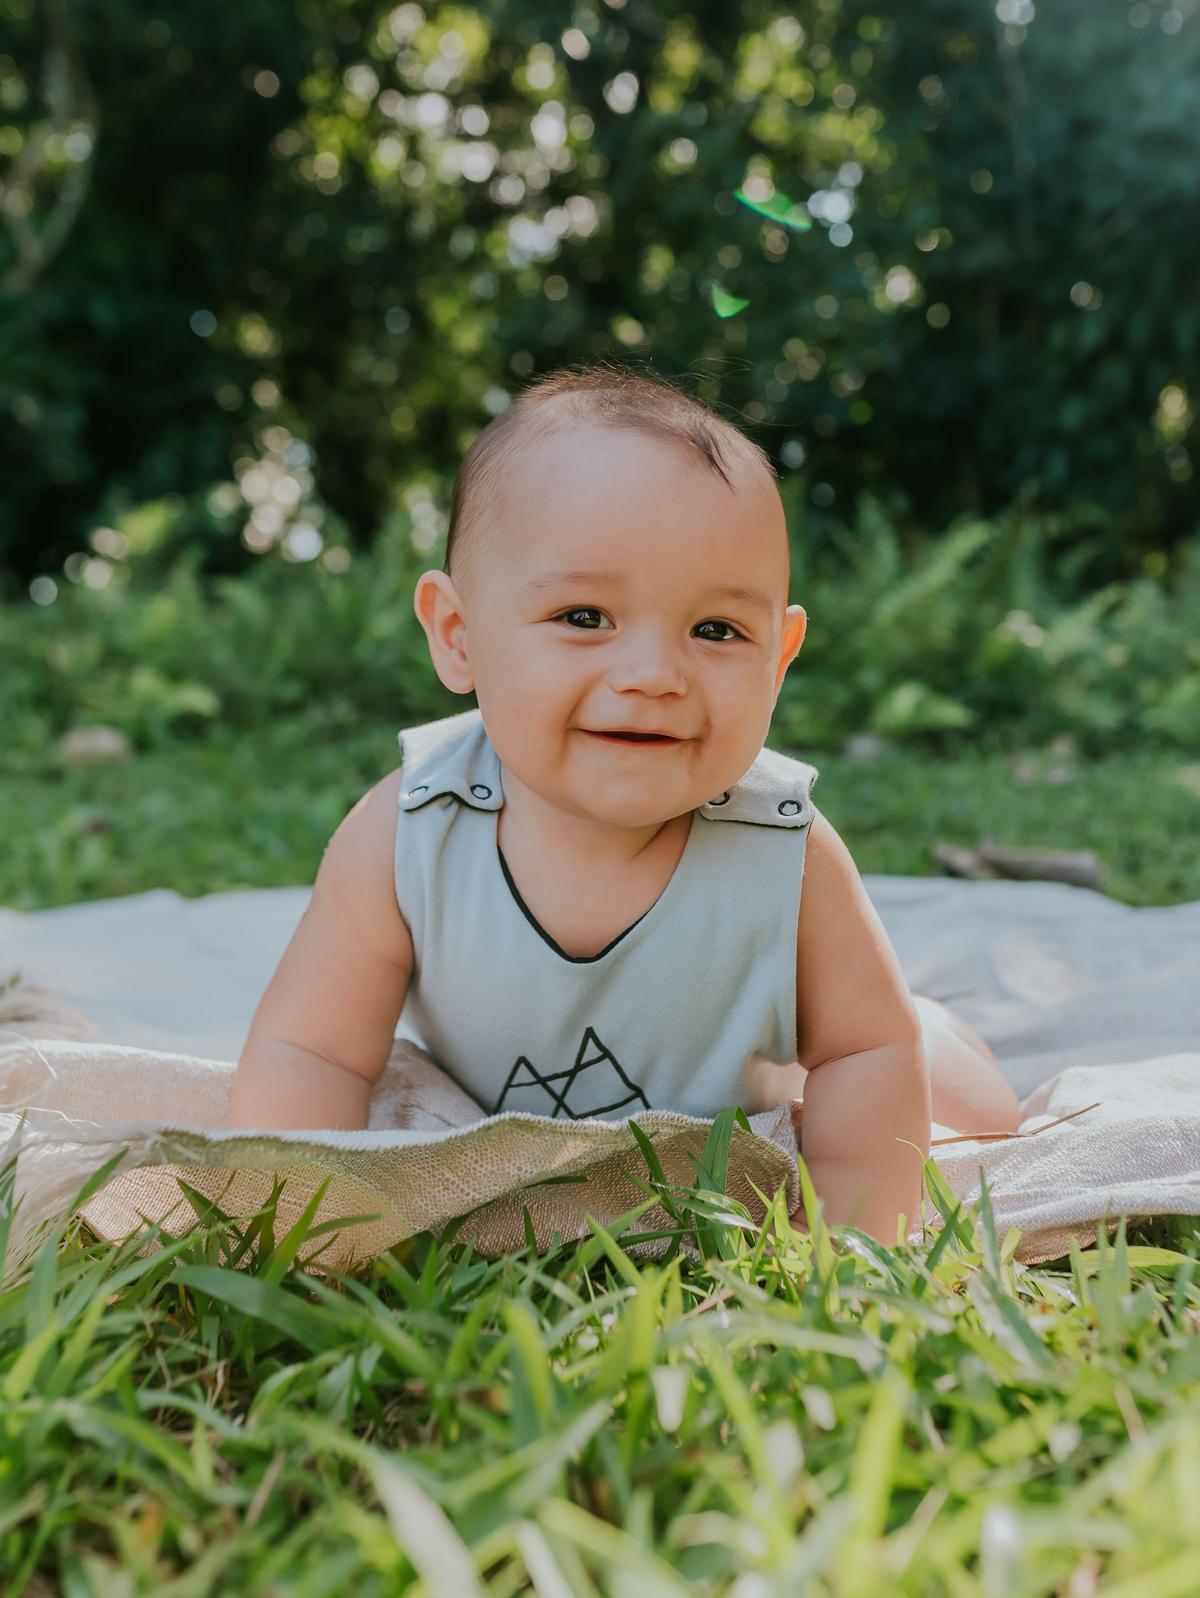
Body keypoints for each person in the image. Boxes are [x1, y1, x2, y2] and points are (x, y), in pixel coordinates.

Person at [230, 369, 1020, 1240]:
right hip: (493, 1112)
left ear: (778, 658)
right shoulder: (410, 831)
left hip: (743, 1102)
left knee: (969, 1106)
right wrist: (299, 1231)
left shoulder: (783, 848)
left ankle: (940, 1029)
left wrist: (857, 1241)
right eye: (584, 615)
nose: (652, 675)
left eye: (716, 631)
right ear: (458, 636)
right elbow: (313, 1050)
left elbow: (864, 1051)